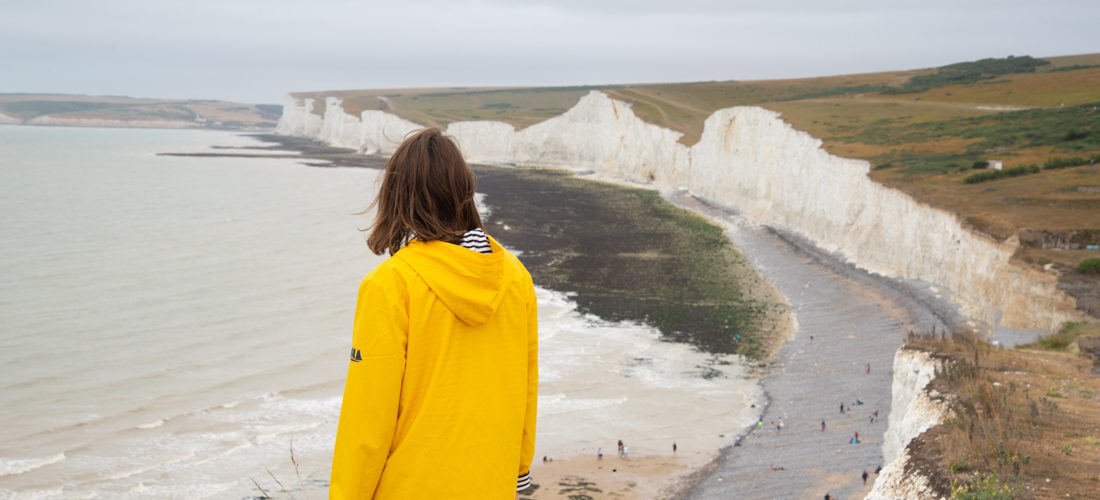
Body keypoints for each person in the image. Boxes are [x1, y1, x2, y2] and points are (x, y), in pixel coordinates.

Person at [330, 128, 539, 499]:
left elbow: (367, 421)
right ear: (463, 190)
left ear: (398, 196)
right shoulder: (515, 277)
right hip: (490, 484)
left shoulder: (391, 284)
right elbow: (526, 385)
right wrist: (520, 468)